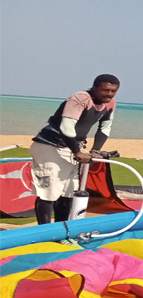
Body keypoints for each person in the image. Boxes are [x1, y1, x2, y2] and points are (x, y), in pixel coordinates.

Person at [30, 74, 119, 224]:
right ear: (95, 87)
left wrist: (95, 150)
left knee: (68, 192)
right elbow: (67, 126)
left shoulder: (110, 103)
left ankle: (62, 232)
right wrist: (77, 152)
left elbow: (105, 127)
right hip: (50, 146)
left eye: (113, 91)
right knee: (49, 192)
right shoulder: (81, 98)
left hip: (72, 147)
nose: (109, 94)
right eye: (105, 90)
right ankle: (44, 233)